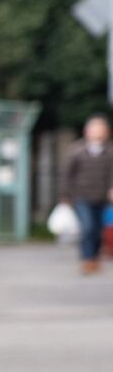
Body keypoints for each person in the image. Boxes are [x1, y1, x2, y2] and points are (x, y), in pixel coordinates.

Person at [62, 114, 113, 273]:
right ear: (87, 131)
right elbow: (67, 175)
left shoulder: (110, 151)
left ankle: (94, 257)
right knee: (88, 227)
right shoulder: (76, 150)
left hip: (103, 198)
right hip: (81, 196)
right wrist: (65, 195)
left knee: (98, 229)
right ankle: (87, 258)